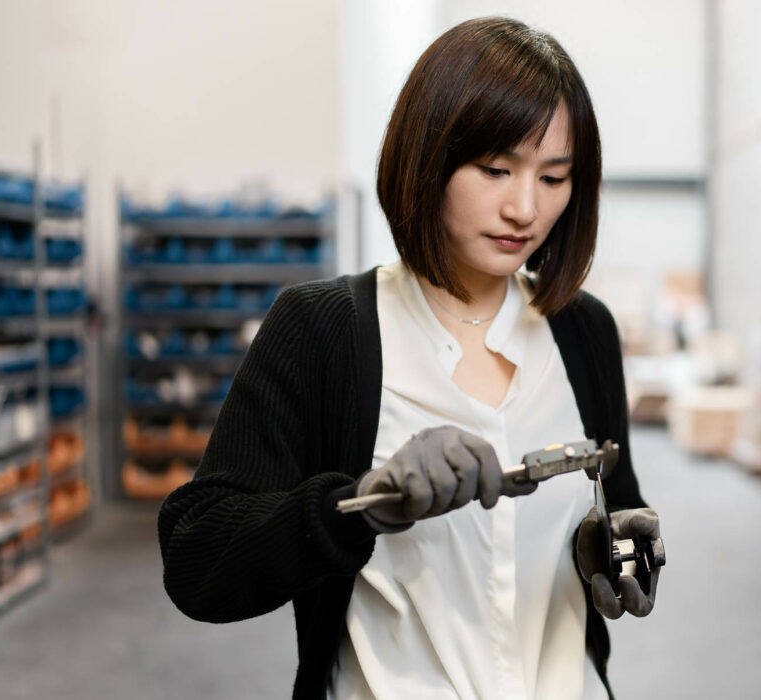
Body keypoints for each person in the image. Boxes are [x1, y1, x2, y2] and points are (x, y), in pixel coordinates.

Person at [158, 16, 662, 700]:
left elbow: (616, 499)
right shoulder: (323, 331)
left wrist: (618, 543)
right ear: (428, 157)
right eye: (495, 169)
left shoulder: (582, 331)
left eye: (554, 177)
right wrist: (359, 502)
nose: (524, 207)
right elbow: (198, 559)